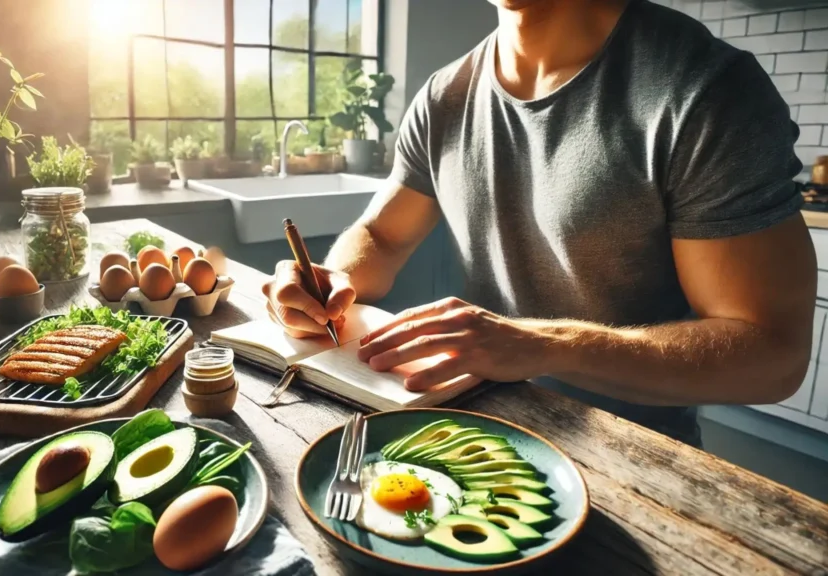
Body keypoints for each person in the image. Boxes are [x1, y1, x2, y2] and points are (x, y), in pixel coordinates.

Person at [262, 0, 818, 447]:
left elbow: (772, 355)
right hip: (472, 431)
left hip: (631, 454)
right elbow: (381, 235)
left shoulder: (704, 90)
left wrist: (549, 344)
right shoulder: (442, 96)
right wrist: (329, 283)